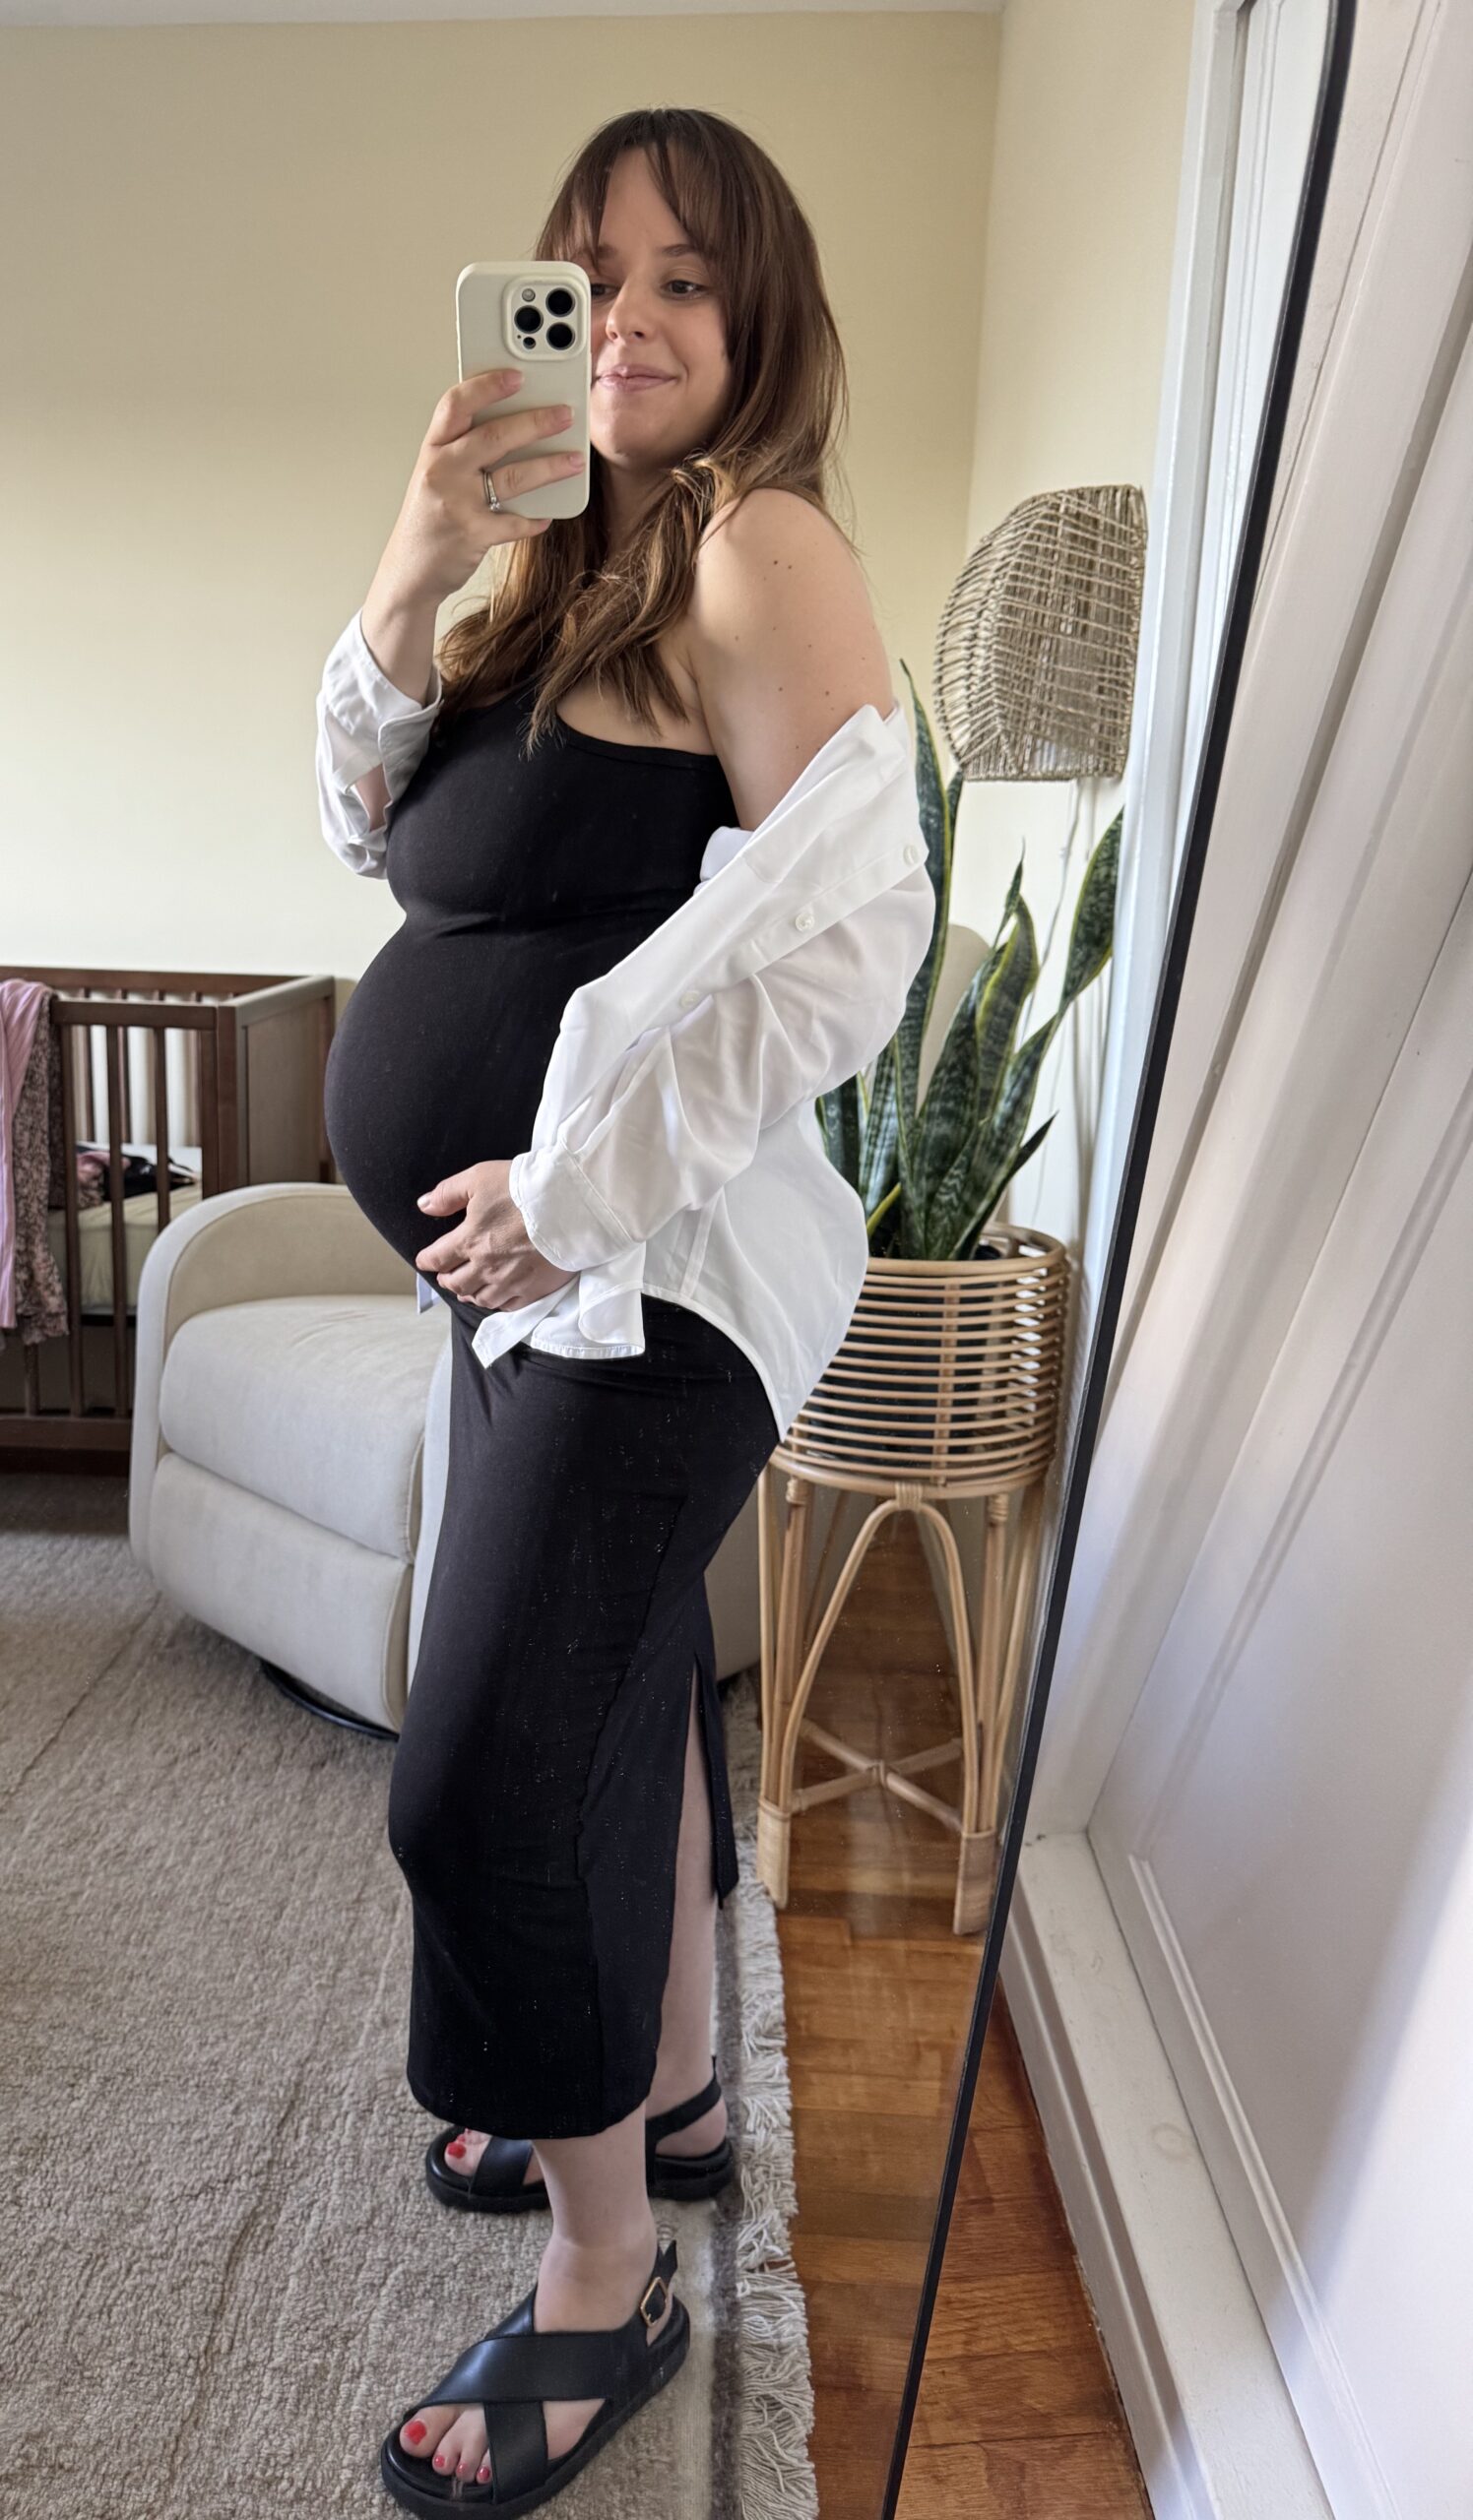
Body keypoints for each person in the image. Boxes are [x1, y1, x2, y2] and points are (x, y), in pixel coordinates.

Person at [314, 106, 933, 2516]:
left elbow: (846, 926)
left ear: (757, 319)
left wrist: (569, 1194)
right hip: (531, 1290)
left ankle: (607, 2282)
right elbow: (372, 829)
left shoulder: (763, 545)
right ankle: (655, 2108)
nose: (637, 317)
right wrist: (422, 541)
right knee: (622, 1694)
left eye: (687, 277)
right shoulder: (554, 565)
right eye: (587, 280)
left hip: (643, 1282)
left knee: (479, 1765)